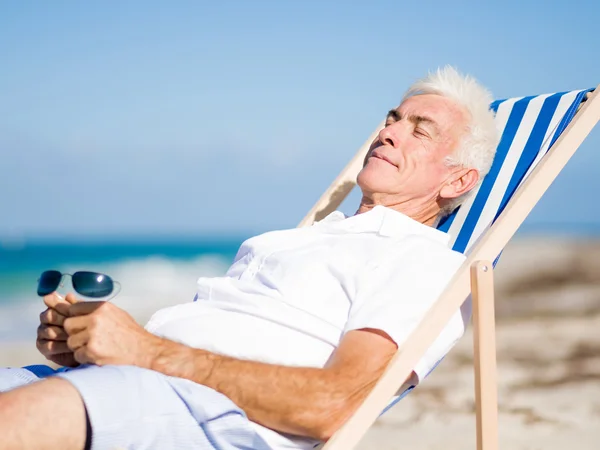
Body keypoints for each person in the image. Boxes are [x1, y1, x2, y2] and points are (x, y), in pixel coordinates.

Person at [0, 66, 499, 450]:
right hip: (132, 384)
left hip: (211, 420)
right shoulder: (305, 239)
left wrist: (143, 350)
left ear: (457, 181)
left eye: (421, 130)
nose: (389, 132)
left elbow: (335, 402)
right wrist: (90, 345)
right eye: (392, 119)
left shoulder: (423, 263)